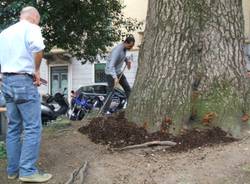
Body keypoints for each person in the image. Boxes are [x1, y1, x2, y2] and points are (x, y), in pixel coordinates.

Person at [0, 6, 52, 183]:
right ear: (34, 17)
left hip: (6, 81)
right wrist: (36, 70)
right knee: (32, 127)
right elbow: (38, 48)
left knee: (14, 127)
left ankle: (12, 170)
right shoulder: (32, 28)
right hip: (23, 80)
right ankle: (28, 171)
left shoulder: (5, 33)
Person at [103, 36, 135, 113]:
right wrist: (115, 78)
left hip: (118, 72)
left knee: (127, 89)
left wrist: (127, 60)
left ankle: (130, 107)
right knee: (111, 92)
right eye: (130, 46)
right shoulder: (117, 50)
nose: (131, 48)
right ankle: (104, 111)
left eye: (132, 46)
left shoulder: (124, 49)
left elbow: (122, 57)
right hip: (110, 73)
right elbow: (111, 66)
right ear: (126, 43)